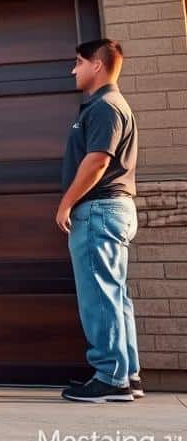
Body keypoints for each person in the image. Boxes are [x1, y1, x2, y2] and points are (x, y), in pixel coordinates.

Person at [57, 39, 143, 403]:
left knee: (99, 296)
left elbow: (97, 161)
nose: (73, 70)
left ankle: (110, 376)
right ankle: (128, 374)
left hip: (98, 210)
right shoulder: (107, 105)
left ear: (97, 65)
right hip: (113, 210)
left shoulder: (105, 106)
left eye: (78, 62)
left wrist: (66, 203)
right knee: (114, 294)